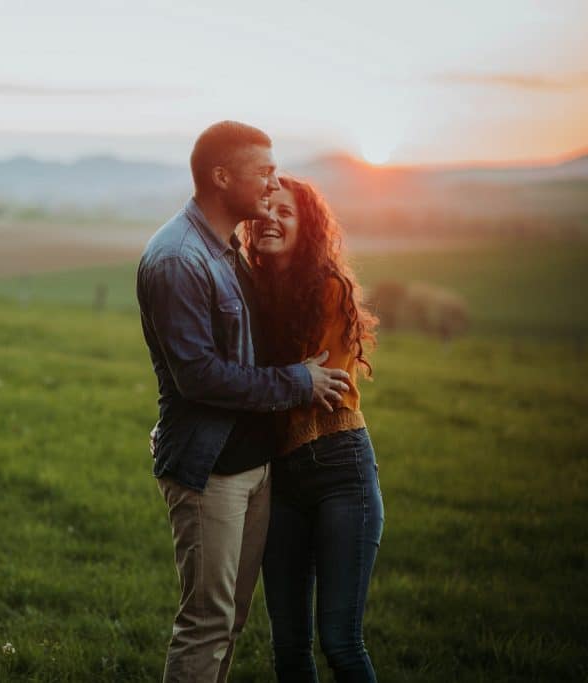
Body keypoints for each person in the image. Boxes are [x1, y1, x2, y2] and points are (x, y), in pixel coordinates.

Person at [136, 121, 351, 683]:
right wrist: (297, 382)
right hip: (212, 471)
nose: (273, 182)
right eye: (264, 171)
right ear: (221, 176)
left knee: (231, 622)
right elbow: (200, 377)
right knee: (207, 622)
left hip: (252, 467)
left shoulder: (228, 248)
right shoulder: (179, 259)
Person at [240, 176, 384, 682]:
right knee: (288, 646)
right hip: (279, 481)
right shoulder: (249, 293)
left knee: (341, 641)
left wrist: (264, 383)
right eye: (263, 209)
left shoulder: (327, 288)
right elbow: (288, 381)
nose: (271, 219)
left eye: (286, 211)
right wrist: (283, 382)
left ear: (309, 227)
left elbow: (317, 380)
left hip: (339, 469)